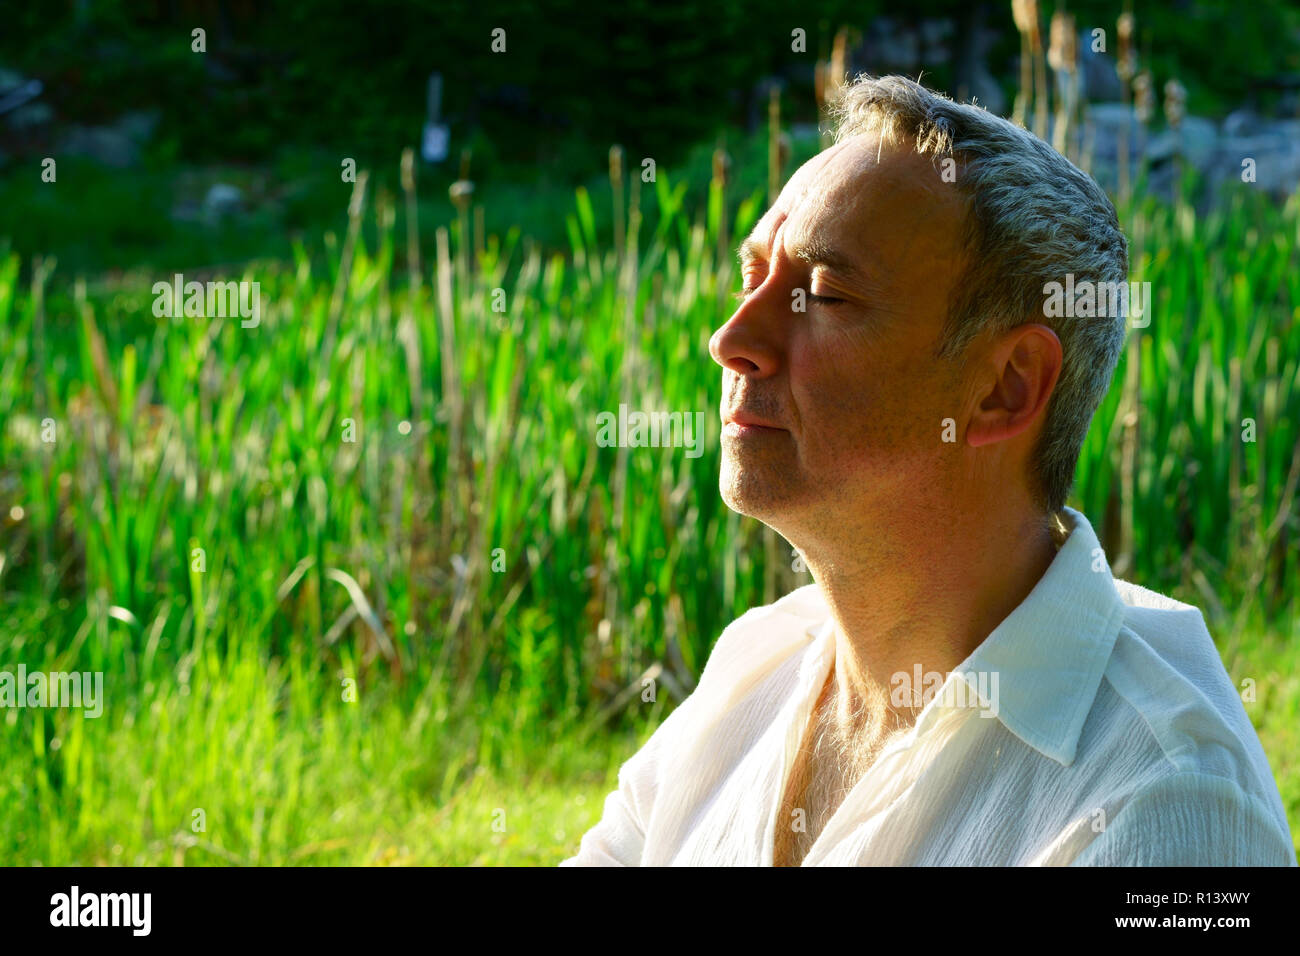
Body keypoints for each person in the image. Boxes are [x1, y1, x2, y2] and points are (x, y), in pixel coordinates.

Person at [561, 75, 1295, 866]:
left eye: (824, 294)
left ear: (1004, 388)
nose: (732, 338)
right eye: (753, 277)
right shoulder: (758, 663)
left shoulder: (1164, 801)